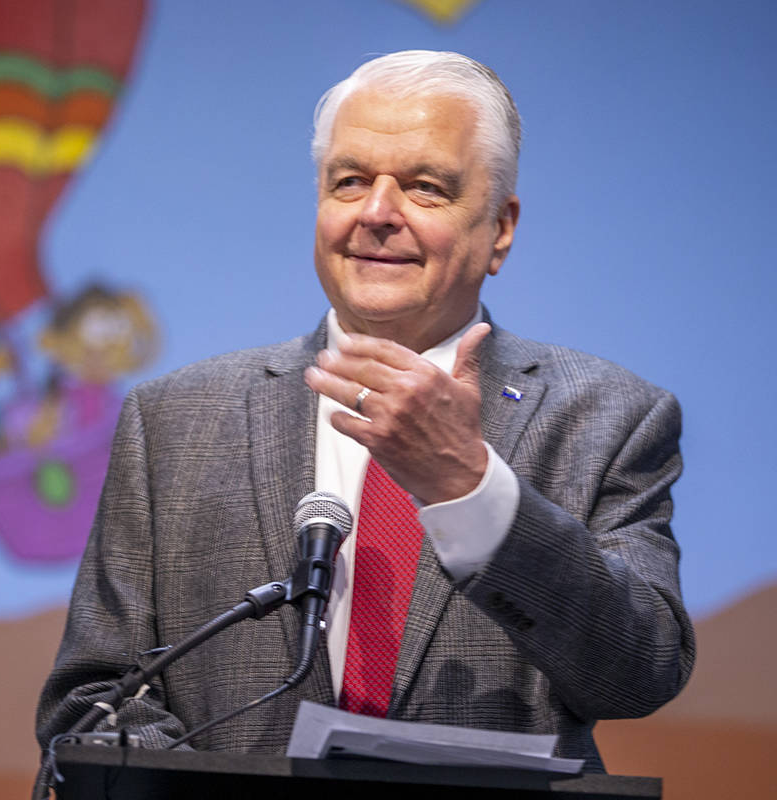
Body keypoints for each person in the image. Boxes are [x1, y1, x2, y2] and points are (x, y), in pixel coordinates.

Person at [35, 50, 695, 780]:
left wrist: (472, 490)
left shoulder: (606, 417)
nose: (377, 214)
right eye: (350, 182)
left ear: (500, 229)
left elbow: (638, 673)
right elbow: (95, 701)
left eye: (425, 187)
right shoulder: (175, 421)